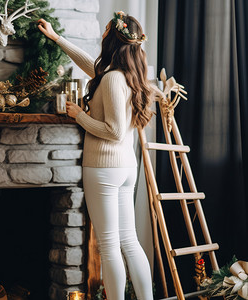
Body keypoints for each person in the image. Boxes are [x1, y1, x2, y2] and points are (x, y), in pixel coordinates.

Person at [39, 12, 154, 300]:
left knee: (110, 244)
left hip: (104, 168)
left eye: (105, 30)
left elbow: (114, 131)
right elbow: (88, 63)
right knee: (129, 241)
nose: (102, 34)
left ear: (114, 38)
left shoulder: (114, 79)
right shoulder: (126, 75)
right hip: (125, 167)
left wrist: (80, 116)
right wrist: (56, 37)